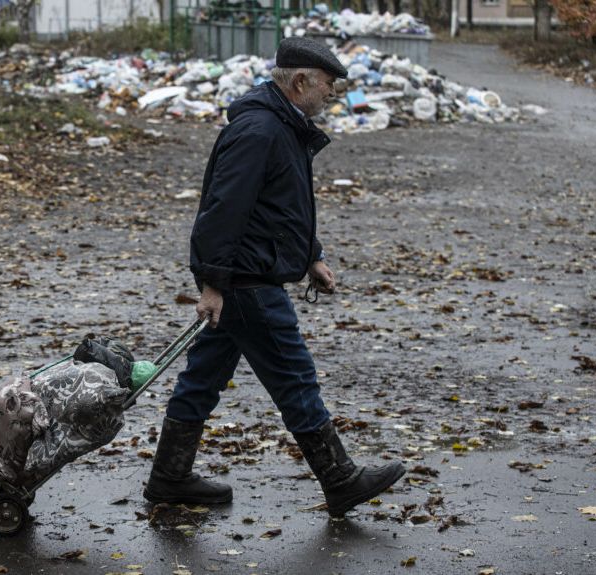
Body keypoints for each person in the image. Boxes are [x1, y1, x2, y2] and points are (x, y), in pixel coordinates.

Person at [143, 37, 405, 518]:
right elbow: (222, 212)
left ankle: (169, 476)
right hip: (247, 282)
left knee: (201, 380)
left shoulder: (284, 126)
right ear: (301, 81)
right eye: (328, 84)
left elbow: (280, 208)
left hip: (247, 276)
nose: (332, 94)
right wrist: (213, 284)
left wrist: (311, 256)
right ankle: (340, 479)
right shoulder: (261, 131)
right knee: (296, 380)